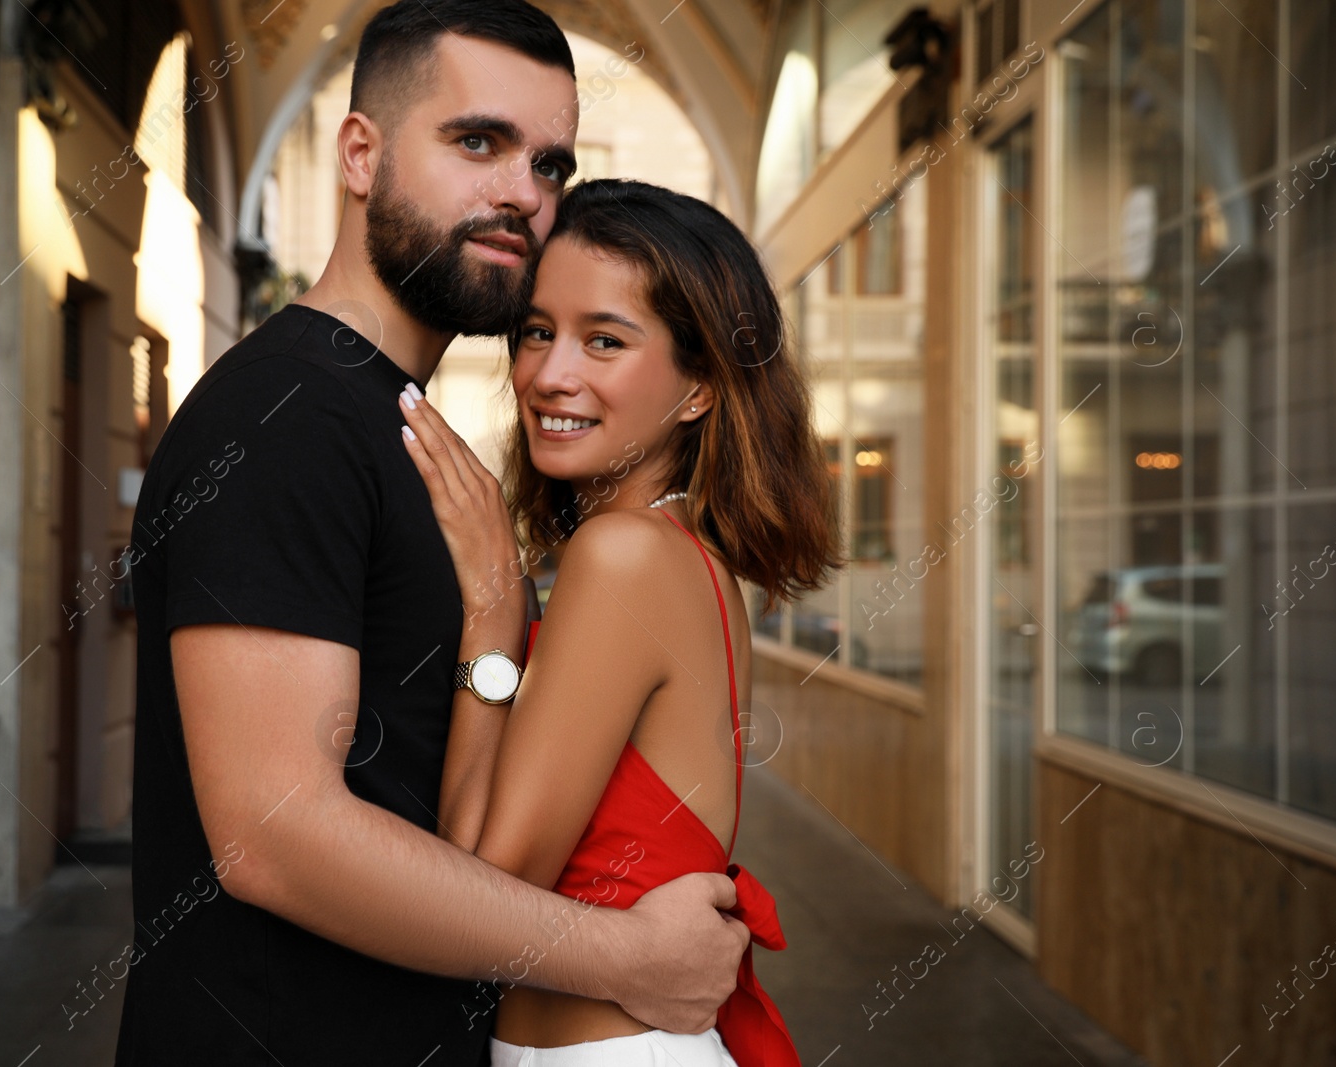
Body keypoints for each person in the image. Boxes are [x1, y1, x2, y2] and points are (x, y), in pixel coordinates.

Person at [114, 3, 750, 1065]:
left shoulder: (392, 422)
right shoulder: (286, 417)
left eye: (550, 163)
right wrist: (622, 958)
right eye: (477, 142)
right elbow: (275, 834)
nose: (522, 193)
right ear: (359, 154)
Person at [397, 179, 841, 1066]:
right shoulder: (678, 551)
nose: (550, 373)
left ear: (701, 388)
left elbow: (488, 887)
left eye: (605, 339)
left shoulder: (625, 557)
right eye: (536, 331)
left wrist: (492, 609)